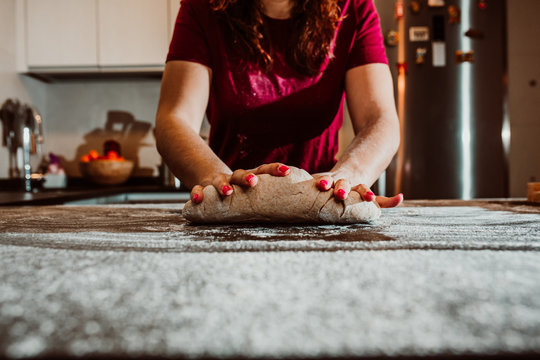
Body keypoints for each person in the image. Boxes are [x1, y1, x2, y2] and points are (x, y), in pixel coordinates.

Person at [155, 0, 403, 208]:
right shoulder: (204, 7)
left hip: (321, 202)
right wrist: (216, 177)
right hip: (230, 200)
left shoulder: (352, 7)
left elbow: (379, 118)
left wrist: (348, 176)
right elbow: (174, 119)